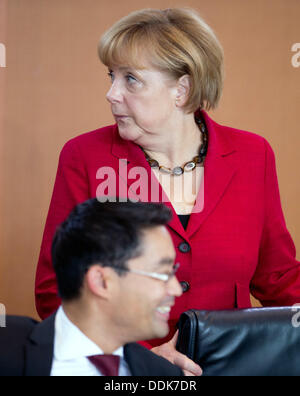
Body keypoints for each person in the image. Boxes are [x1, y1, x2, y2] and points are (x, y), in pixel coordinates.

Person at [35, 8, 300, 375]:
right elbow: (56, 291)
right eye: (112, 76)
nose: (111, 93)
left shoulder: (254, 155)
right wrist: (140, 360)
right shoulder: (84, 157)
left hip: (233, 367)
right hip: (127, 374)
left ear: (182, 88)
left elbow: (279, 278)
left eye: (131, 80)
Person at [0, 199, 189, 376]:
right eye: (162, 274)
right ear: (101, 282)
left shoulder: (164, 373)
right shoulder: (7, 348)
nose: (176, 289)